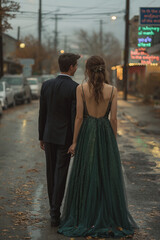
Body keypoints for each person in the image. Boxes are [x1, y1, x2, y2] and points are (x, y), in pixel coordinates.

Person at [58, 56, 138, 238]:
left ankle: (85, 217)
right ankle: (107, 218)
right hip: (105, 133)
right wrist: (113, 140)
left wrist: (74, 141)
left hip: (87, 133)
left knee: (86, 174)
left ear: (87, 70)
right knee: (105, 176)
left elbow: (79, 117)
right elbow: (114, 119)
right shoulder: (112, 90)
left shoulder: (80, 89)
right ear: (103, 70)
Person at [38, 53, 80, 227]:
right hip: (64, 139)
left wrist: (41, 136)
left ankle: (53, 210)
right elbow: (74, 116)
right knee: (60, 174)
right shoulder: (75, 88)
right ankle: (55, 212)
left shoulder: (47, 85)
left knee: (50, 174)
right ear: (70, 67)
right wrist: (74, 141)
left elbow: (43, 113)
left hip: (48, 136)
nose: (77, 67)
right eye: (76, 65)